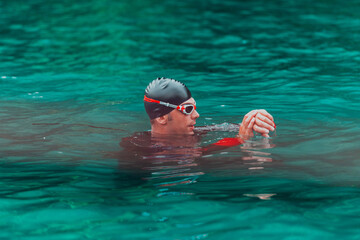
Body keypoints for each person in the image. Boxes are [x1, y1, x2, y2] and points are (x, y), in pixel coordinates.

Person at [143, 77, 276, 141]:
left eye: (194, 107)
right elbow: (199, 161)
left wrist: (253, 121)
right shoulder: (144, 149)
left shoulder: (196, 133)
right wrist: (239, 140)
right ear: (161, 117)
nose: (196, 115)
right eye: (188, 109)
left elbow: (227, 127)